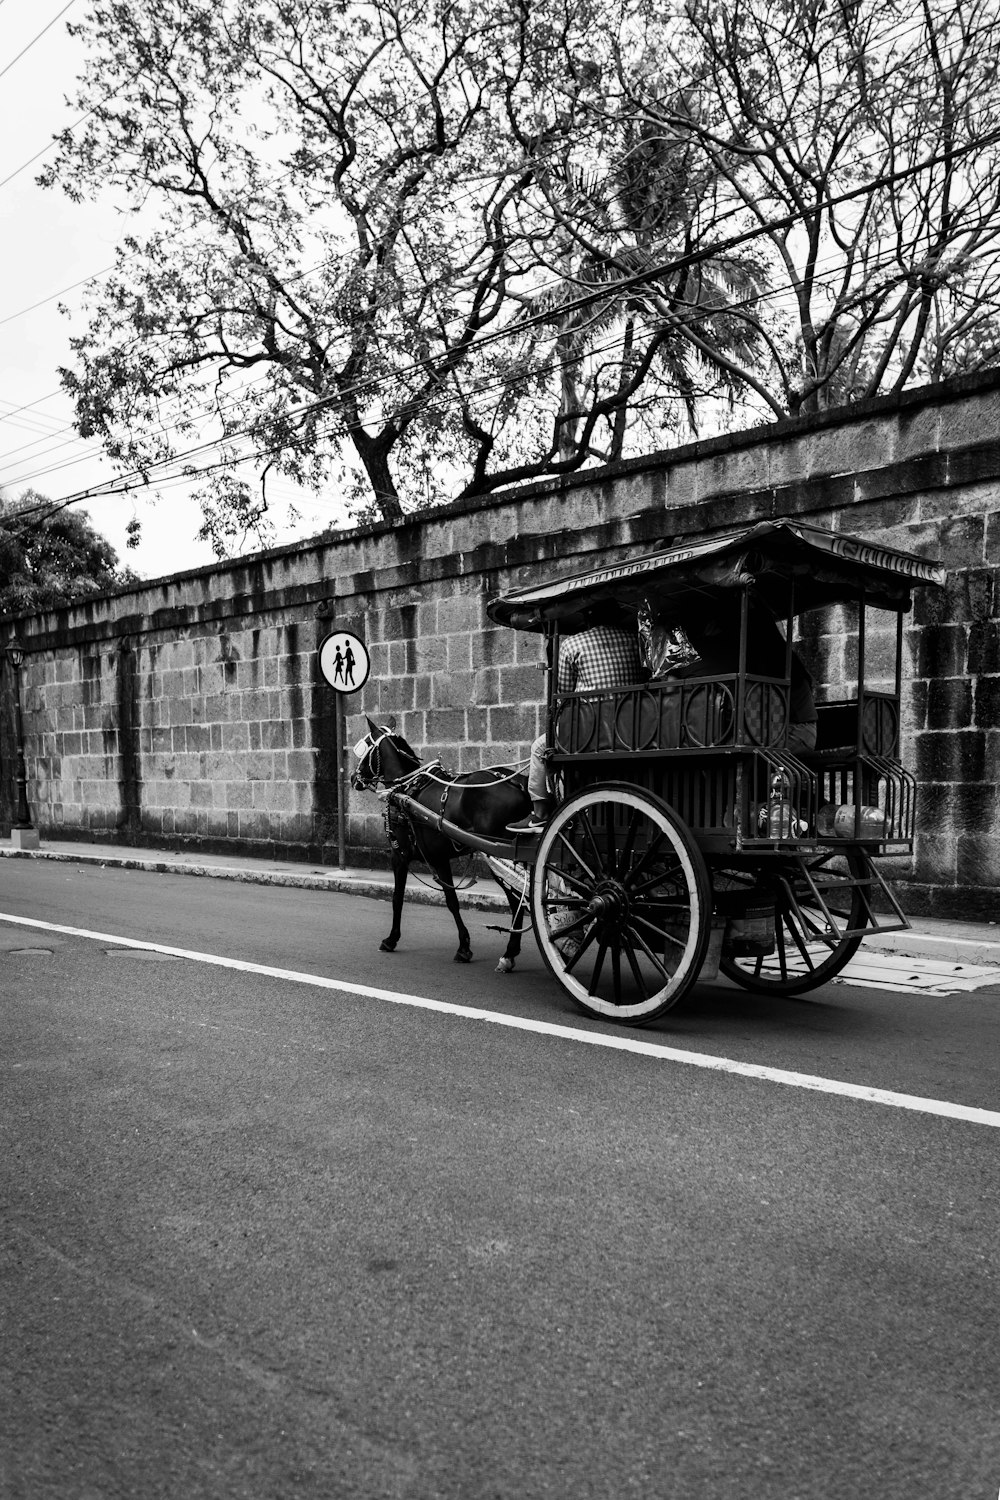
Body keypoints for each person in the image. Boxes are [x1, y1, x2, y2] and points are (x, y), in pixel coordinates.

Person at [507, 604, 643, 834]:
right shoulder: (635, 640)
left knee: (539, 748)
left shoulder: (573, 643)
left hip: (592, 730)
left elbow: (564, 693)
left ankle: (539, 813)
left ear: (587, 619)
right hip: (635, 727)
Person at [675, 596, 817, 752]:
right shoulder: (758, 645)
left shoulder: (765, 648)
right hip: (781, 727)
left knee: (735, 748)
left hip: (792, 730)